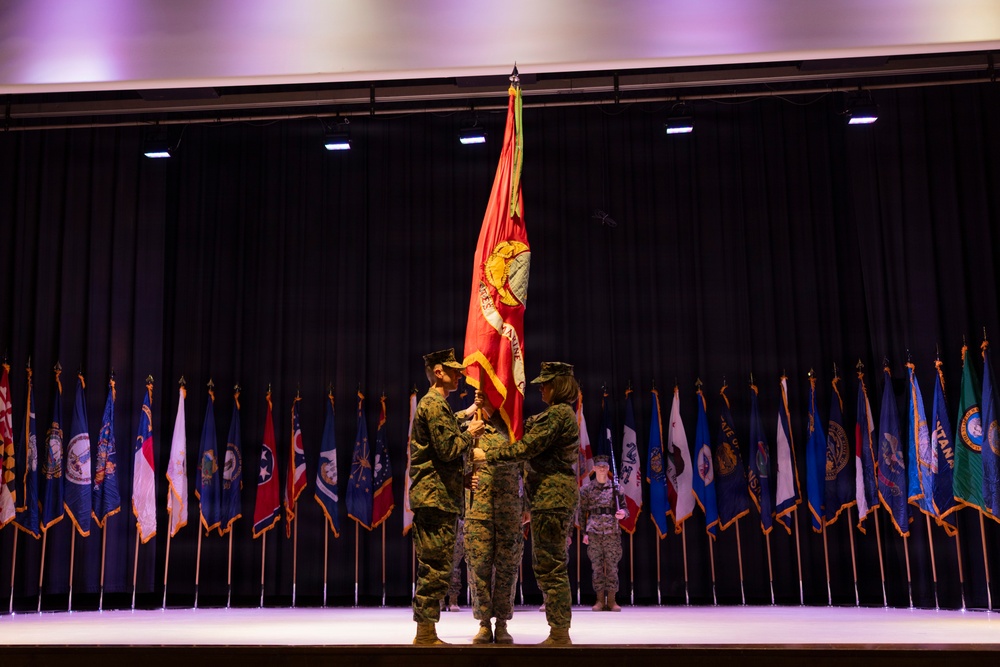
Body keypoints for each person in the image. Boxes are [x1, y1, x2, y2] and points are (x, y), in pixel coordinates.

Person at [474, 361, 580, 646]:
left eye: (546, 383)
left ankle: (559, 633)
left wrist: (488, 456)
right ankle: (559, 631)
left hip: (552, 497)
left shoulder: (557, 415)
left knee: (550, 567)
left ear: (558, 385)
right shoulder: (560, 414)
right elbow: (520, 435)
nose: (541, 388)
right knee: (549, 566)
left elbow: (526, 447)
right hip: (550, 498)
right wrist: (493, 413)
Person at [409, 348, 485, 645]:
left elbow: (443, 442)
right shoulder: (433, 404)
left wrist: (467, 415)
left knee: (438, 566)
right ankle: (425, 634)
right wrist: (471, 432)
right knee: (434, 567)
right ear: (438, 372)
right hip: (434, 499)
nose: (459, 376)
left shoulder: (438, 405)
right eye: (454, 371)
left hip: (439, 496)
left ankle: (427, 631)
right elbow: (448, 448)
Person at [464, 395, 525, 644]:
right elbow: (450, 458)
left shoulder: (512, 429)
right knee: (478, 568)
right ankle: (483, 623)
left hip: (509, 511)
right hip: (477, 510)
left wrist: (527, 507)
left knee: (507, 568)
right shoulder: (469, 428)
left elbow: (527, 467)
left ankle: (501, 622)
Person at [580, 454, 627, 611]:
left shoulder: (616, 489)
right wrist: (584, 533)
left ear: (608, 468)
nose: (601, 468)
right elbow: (582, 513)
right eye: (599, 466)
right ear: (593, 468)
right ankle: (600, 600)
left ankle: (612, 600)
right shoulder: (586, 490)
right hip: (594, 532)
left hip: (612, 532)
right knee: (597, 567)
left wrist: (623, 514)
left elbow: (625, 509)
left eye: (604, 466)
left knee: (612, 567)